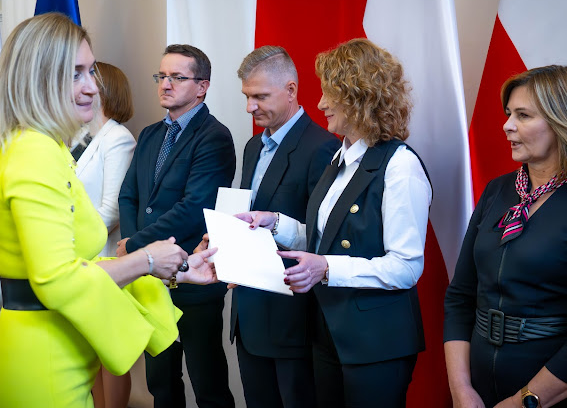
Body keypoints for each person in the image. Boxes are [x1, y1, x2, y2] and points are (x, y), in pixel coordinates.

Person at [0, 13, 219, 408]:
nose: (91, 87)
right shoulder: (35, 151)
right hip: (44, 360)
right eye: (75, 74)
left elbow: (81, 265)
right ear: (39, 78)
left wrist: (177, 269)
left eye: (91, 72)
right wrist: (148, 258)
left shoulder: (48, 147)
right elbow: (60, 280)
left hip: (61, 352)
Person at [236, 38, 432, 407]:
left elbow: (406, 267)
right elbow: (323, 239)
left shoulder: (400, 166)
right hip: (330, 333)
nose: (321, 103)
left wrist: (326, 268)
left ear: (359, 97)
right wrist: (272, 222)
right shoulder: (341, 159)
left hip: (375, 343)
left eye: (330, 94)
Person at [118, 44, 236, 408]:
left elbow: (194, 208)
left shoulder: (214, 136)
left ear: (202, 86)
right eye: (162, 76)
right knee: (161, 383)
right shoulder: (150, 134)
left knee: (207, 383)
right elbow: (129, 196)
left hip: (193, 275)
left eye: (177, 77)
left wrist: (134, 245)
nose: (165, 84)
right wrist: (134, 246)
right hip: (152, 278)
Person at [444, 66, 567, 408]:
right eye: (509, 113)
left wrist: (523, 401)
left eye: (523, 115)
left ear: (559, 122)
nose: (507, 125)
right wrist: (461, 389)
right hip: (477, 387)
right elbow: (460, 297)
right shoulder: (497, 190)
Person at [230, 46, 340, 408]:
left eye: (260, 96)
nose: (250, 107)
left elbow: (323, 236)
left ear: (291, 90)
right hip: (248, 311)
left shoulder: (322, 148)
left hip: (291, 320)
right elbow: (250, 216)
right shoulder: (252, 146)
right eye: (247, 96)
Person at [70, 61, 136, 408]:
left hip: (104, 255)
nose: (79, 88)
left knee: (109, 354)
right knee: (88, 351)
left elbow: (112, 209)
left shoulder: (118, 138)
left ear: (104, 90)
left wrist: (73, 238)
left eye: (87, 79)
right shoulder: (78, 137)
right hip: (79, 258)